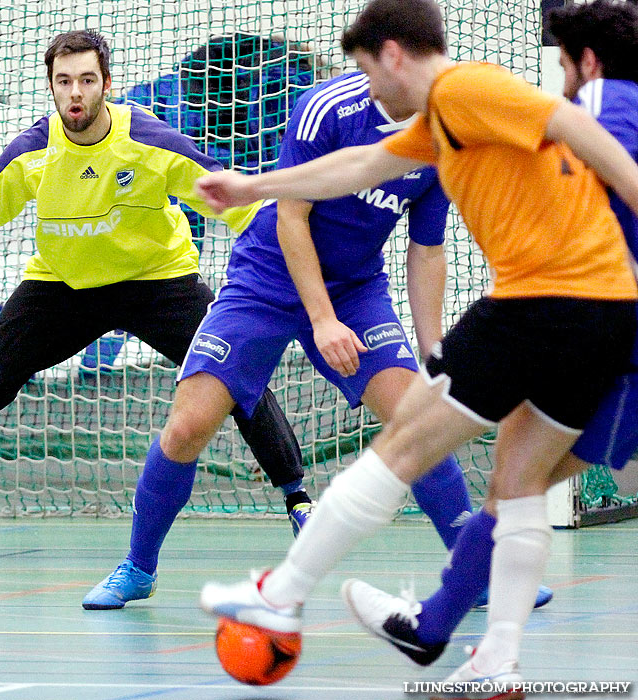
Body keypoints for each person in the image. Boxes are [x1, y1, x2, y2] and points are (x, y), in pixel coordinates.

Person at [196, 0, 638, 693]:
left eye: (368, 70)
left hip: (538, 303)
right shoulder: (440, 125)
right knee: (518, 486)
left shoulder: (466, 88)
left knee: (398, 447)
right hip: (607, 315)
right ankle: (497, 659)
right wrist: (252, 186)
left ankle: (280, 594)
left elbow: (573, 123)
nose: (368, 87)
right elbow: (356, 167)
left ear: (395, 54)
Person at [0, 30, 310, 555]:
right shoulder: (32, 151)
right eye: (63, 81)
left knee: (234, 374)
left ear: (105, 85)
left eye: (86, 81)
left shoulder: (150, 140)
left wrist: (289, 250)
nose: (75, 93)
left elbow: (232, 200)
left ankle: (298, 499)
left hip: (157, 282)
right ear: (51, 87)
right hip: (62, 286)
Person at [84, 65, 523, 610]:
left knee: (420, 418)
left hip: (354, 289)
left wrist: (434, 351)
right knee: (187, 427)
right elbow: (292, 215)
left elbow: (427, 248)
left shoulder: (440, 136)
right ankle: (138, 567)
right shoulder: (328, 108)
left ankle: (473, 572)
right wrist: (321, 320)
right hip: (266, 278)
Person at [343, 0, 638, 667]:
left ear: (587, 65)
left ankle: (461, 638)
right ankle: (456, 637)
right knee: (514, 480)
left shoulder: (599, 110)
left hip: (615, 345)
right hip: (595, 328)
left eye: (562, 67)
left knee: (516, 484)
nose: (560, 83)